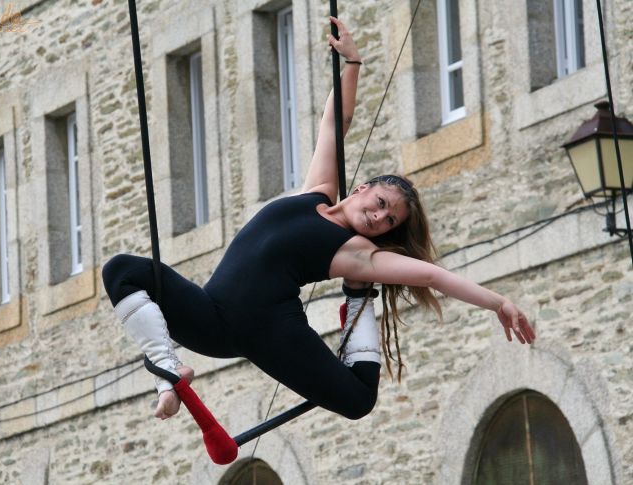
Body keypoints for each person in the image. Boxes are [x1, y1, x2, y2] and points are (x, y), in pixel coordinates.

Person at [102, 17, 535, 421]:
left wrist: (498, 302)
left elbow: (433, 277)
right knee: (122, 270)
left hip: (269, 328)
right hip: (210, 316)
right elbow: (334, 123)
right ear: (363, 187)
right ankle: (168, 370)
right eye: (382, 203)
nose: (380, 217)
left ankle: (359, 299)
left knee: (358, 400)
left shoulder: (357, 252)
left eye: (389, 222)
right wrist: (353, 62)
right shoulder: (319, 192)